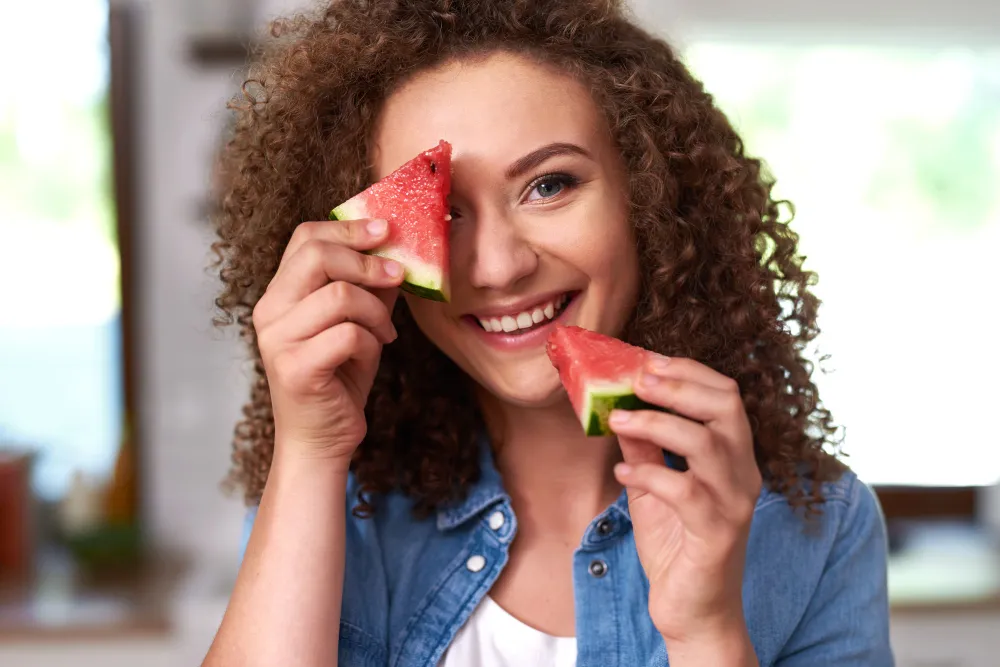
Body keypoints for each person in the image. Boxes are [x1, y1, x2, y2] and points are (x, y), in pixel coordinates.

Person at [203, 0, 893, 665]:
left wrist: (707, 633)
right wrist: (308, 451)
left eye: (550, 184)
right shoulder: (334, 501)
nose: (501, 266)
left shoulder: (818, 523)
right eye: (442, 214)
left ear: (647, 197)